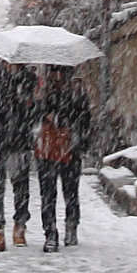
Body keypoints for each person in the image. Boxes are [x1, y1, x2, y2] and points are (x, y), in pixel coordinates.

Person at [0, 61, 36, 252]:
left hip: (19, 140)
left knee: (21, 186)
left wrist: (30, 105)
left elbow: (34, 112)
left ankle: (20, 225)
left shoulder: (29, 79)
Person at [33, 66, 92, 253]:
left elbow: (84, 120)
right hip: (48, 149)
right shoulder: (43, 92)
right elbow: (32, 117)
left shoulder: (77, 92)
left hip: (70, 148)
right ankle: (50, 233)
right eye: (53, 73)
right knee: (48, 194)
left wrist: (65, 121)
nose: (57, 76)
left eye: (61, 73)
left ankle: (71, 226)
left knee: (70, 192)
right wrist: (43, 111)